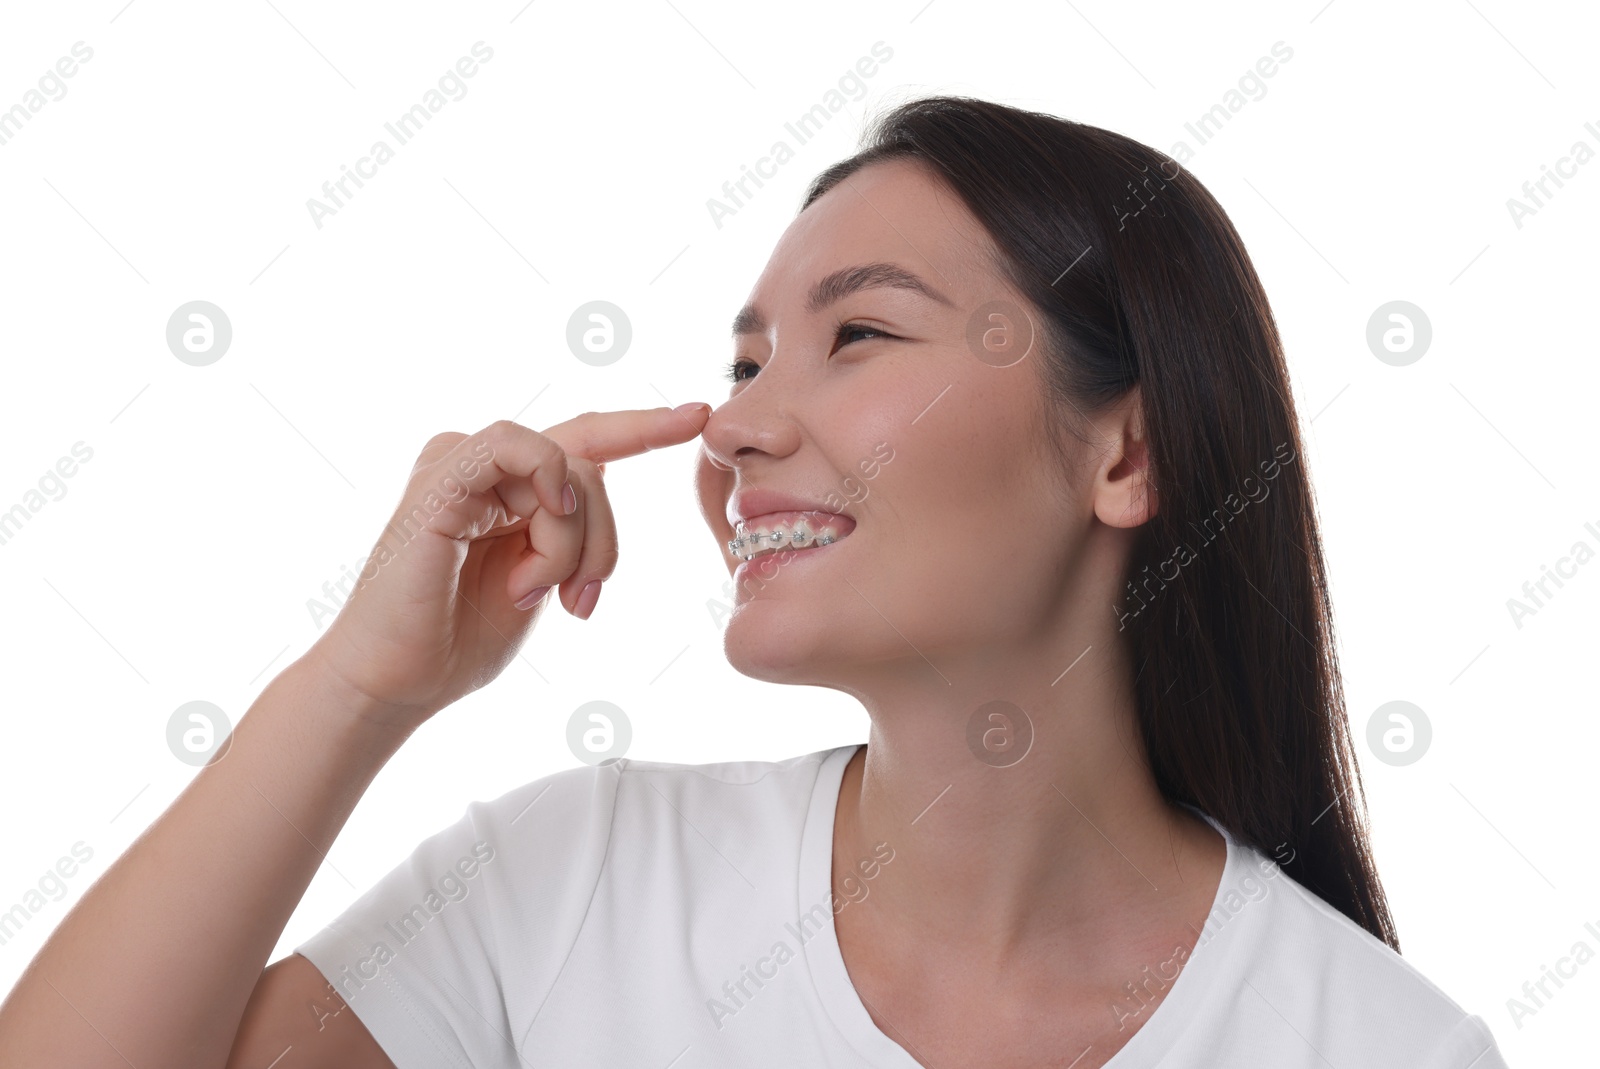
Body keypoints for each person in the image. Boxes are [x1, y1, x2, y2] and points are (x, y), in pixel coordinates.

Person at [0, 95, 1508, 1068]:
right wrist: (359, 686)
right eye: (742, 361)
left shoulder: (1379, 1045)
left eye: (858, 338)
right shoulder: (582, 884)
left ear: (1126, 453)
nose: (733, 427)